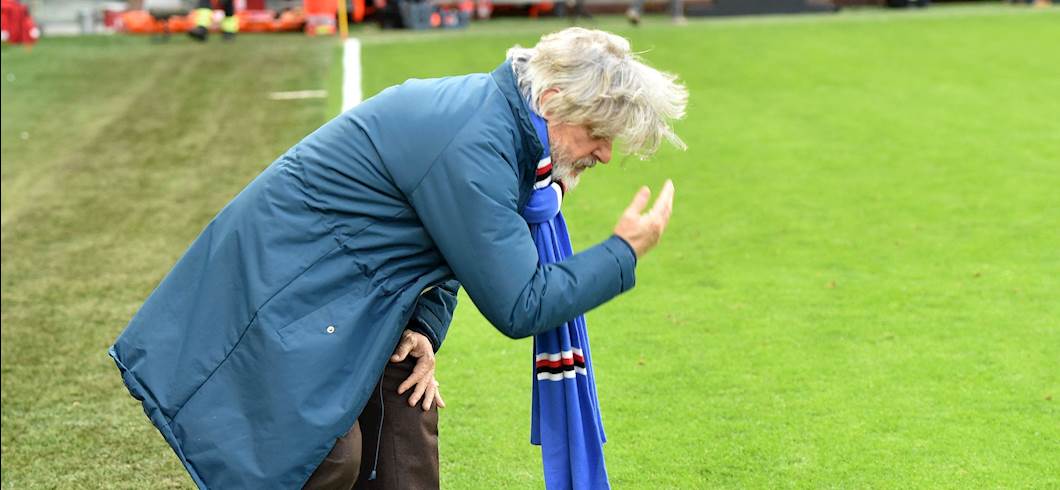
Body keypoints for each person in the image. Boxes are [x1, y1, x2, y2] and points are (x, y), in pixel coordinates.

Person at [109, 27, 687, 489]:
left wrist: (423, 329)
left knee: (407, 426)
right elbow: (521, 304)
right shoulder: (478, 140)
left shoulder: (502, 130)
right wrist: (623, 252)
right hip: (282, 286)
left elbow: (451, 248)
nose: (604, 154)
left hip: (350, 293)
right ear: (553, 100)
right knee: (322, 457)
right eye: (597, 133)